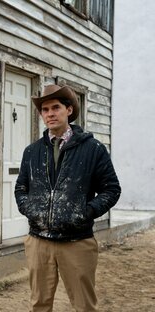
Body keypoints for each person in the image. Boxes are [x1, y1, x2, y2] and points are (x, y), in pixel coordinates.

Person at [14, 84, 121, 312]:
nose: (50, 114)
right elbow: (21, 188)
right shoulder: (32, 151)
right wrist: (31, 209)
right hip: (38, 242)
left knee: (84, 306)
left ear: (69, 110)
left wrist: (85, 212)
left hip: (77, 242)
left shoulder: (93, 149)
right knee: (39, 305)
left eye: (56, 107)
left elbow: (111, 189)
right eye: (45, 109)